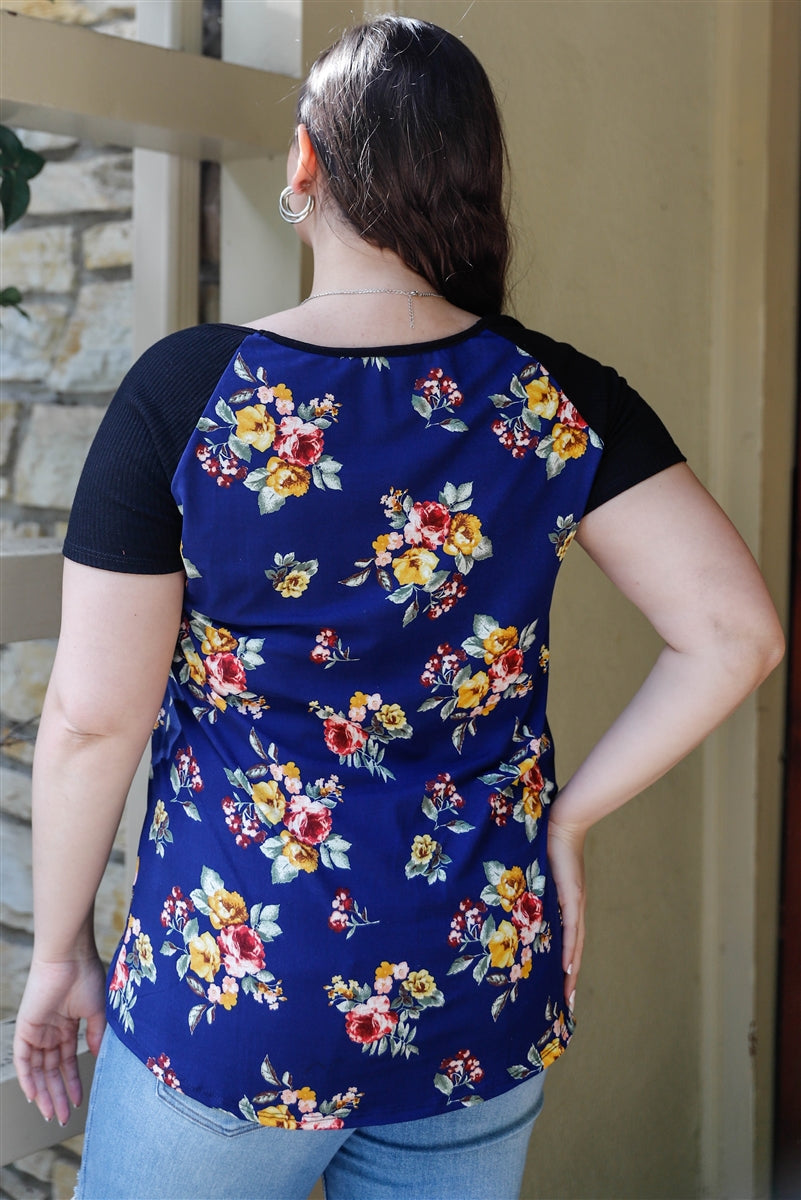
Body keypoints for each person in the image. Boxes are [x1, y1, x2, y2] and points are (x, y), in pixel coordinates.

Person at [13, 15, 783, 1200]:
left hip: (238, 995)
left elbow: (88, 721)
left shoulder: (190, 396)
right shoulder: (555, 399)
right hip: (476, 985)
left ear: (305, 164)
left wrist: (58, 949)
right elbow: (737, 634)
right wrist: (565, 825)